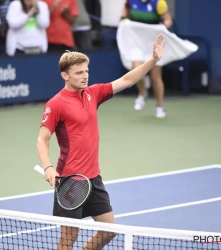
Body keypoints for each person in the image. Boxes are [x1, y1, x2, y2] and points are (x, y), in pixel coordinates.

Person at [36, 33, 166, 249]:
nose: (85, 76)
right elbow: (42, 139)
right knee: (68, 239)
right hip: (70, 181)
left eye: (86, 71)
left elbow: (127, 80)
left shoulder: (93, 94)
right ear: (65, 75)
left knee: (109, 231)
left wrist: (153, 60)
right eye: (78, 73)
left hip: (94, 178)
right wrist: (48, 167)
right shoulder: (56, 104)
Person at [121, 0, 172, 118]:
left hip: (153, 42)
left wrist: (164, 26)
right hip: (136, 41)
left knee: (155, 78)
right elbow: (126, 10)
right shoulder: (131, 1)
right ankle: (143, 92)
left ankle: (159, 106)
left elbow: (168, 19)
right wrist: (123, 17)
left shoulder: (159, 3)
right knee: (136, 70)